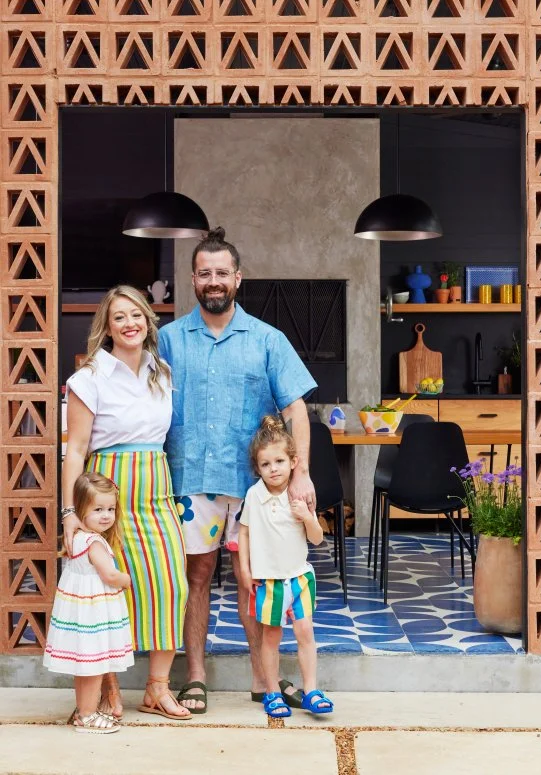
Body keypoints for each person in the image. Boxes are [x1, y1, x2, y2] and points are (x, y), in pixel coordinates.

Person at [158, 227, 317, 713]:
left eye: (221, 273)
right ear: (193, 279)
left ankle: (261, 678)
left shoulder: (268, 340)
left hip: (254, 492)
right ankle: (196, 676)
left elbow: (296, 409)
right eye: (204, 273)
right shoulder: (167, 339)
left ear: (238, 278)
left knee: (257, 580)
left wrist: (301, 473)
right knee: (196, 577)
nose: (213, 281)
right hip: (191, 481)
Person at [61, 285, 191, 721]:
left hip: (156, 485)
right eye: (119, 317)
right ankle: (109, 688)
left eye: (136, 314)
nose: (130, 323)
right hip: (106, 493)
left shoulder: (162, 371)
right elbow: (76, 449)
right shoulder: (89, 377)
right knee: (107, 591)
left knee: (172, 584)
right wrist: (70, 515)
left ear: (148, 320)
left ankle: (157, 688)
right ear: (107, 326)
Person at [239, 416, 333, 717]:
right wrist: (244, 569)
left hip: (300, 578)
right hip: (269, 581)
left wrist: (307, 517)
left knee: (305, 632)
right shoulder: (255, 495)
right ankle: (271, 691)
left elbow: (317, 539)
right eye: (265, 464)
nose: (273, 469)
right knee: (271, 636)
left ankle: (312, 689)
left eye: (279, 461)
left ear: (293, 462)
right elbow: (244, 532)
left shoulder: (300, 496)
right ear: (258, 468)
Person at [44, 472, 133, 734]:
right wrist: (126, 579)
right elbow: (109, 575)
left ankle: (82, 711)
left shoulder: (77, 539)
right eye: (98, 509)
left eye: (110, 509)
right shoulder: (94, 542)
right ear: (81, 509)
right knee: (94, 665)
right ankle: (88, 715)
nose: (106, 515)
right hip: (93, 611)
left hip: (80, 610)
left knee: (84, 666)